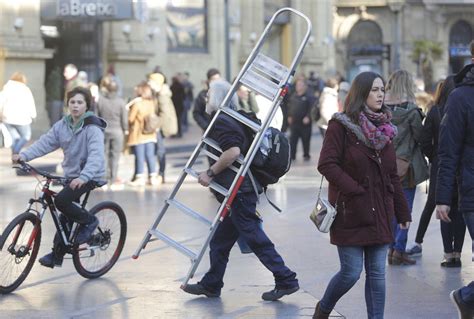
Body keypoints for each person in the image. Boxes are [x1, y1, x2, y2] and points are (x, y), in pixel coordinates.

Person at [183, 79, 299, 301]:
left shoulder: (222, 121)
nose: (206, 98)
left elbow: (233, 151)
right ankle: (212, 283)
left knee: (255, 238)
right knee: (220, 241)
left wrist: (211, 173)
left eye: (208, 94)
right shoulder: (233, 118)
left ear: (217, 98)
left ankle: (286, 278)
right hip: (238, 190)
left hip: (239, 190)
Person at [314, 71, 410, 319]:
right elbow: (326, 164)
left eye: (382, 89)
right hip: (351, 211)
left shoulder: (386, 130)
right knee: (351, 272)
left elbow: (391, 175)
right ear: (361, 93)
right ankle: (323, 309)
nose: (380, 94)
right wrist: (355, 189)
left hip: (380, 211)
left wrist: (402, 210)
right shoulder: (341, 126)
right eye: (375, 90)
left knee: (377, 273)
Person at [12, 87, 106, 268]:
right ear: (67, 104)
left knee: (62, 201)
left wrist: (84, 176)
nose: (75, 106)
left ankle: (90, 221)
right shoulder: (63, 125)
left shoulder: (92, 128)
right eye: (72, 102)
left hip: (91, 175)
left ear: (87, 105)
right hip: (71, 175)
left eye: (80, 102)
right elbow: (45, 143)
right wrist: (24, 156)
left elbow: (96, 156)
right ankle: (57, 255)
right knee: (66, 213)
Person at [437, 41, 474, 319]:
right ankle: (465, 297)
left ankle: (467, 297)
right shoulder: (460, 97)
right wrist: (442, 198)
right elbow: (448, 151)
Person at [417, 76, 465, 266]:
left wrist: (434, 156)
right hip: (460, 165)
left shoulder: (435, 111)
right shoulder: (462, 108)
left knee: (444, 209)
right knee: (459, 211)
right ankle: (458, 254)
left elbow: (424, 140)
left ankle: (448, 253)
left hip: (441, 167)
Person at [385, 69, 428, 265]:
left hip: (385, 166)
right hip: (406, 169)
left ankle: (391, 248)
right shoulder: (411, 111)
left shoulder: (381, 110)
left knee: (391, 209)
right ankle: (399, 250)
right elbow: (421, 138)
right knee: (405, 209)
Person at [96, 74, 128, 189]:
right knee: (115, 156)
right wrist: (126, 129)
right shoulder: (121, 102)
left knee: (104, 155)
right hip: (117, 131)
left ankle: (104, 178)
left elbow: (97, 117)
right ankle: (113, 179)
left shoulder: (100, 100)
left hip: (103, 131)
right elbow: (124, 119)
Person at [148, 72, 178, 184]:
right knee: (160, 150)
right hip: (161, 126)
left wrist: (157, 126)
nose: (148, 83)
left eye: (150, 81)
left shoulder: (161, 95)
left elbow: (164, 114)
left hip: (161, 127)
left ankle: (161, 174)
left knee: (160, 151)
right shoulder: (159, 93)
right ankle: (160, 174)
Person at [126, 82, 159, 186]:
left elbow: (131, 119)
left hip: (139, 134)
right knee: (150, 155)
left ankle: (140, 177)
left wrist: (128, 107)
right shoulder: (151, 102)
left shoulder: (137, 104)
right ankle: (152, 176)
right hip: (150, 133)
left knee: (140, 156)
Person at [0, 72, 37, 155]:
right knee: (26, 136)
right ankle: (16, 152)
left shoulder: (6, 88)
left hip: (7, 118)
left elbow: (1, 101)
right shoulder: (25, 89)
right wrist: (33, 115)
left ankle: (14, 154)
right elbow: (31, 103)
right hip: (22, 119)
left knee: (15, 138)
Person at [287, 76, 315, 161]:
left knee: (306, 140)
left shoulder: (309, 97)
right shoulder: (293, 96)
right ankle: (292, 156)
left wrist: (308, 117)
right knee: (293, 141)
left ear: (304, 86)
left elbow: (312, 109)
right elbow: (289, 107)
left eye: (300, 85)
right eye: (297, 85)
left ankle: (306, 155)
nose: (298, 86)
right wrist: (289, 116)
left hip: (305, 124)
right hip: (294, 123)